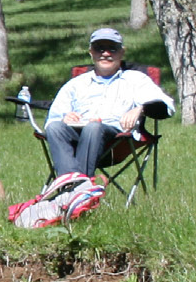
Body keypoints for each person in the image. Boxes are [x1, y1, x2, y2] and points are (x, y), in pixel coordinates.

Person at [41, 28, 174, 178]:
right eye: (99, 48)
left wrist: (141, 109)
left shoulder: (136, 79)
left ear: (122, 52)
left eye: (112, 48)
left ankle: (76, 190)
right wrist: (65, 118)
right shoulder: (76, 84)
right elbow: (52, 120)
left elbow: (167, 106)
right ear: (91, 52)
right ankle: (73, 186)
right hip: (77, 137)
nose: (105, 53)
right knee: (55, 128)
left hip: (116, 141)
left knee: (94, 127)